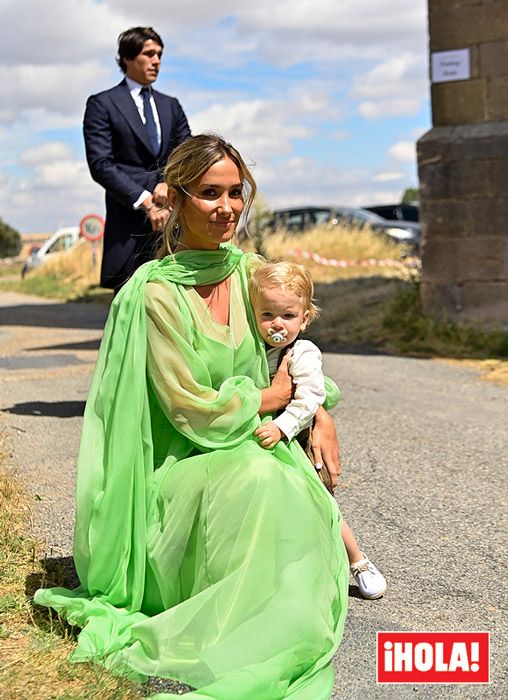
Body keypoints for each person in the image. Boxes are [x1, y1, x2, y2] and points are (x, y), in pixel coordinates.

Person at [34, 134, 348, 699]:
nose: (226, 208)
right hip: (179, 460)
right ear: (175, 200)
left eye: (235, 193)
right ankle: (250, 624)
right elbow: (190, 411)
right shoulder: (152, 295)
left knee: (272, 471)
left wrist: (319, 409)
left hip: (250, 439)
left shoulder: (253, 272)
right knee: (260, 474)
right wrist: (272, 401)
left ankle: (270, 613)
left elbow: (292, 355)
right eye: (209, 193)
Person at [249, 261, 387, 600]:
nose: (276, 324)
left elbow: (310, 397)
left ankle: (358, 560)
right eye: (267, 315)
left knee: (318, 498)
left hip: (293, 434)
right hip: (263, 431)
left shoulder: (302, 352)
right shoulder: (250, 348)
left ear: (305, 318)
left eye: (287, 316)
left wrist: (283, 427)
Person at [83, 26, 191, 292]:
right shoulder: (102, 104)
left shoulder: (171, 105)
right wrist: (145, 201)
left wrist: (170, 181)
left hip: (172, 227)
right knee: (130, 319)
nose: (156, 61)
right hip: (128, 230)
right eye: (149, 54)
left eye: (160, 55)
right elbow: (101, 164)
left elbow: (187, 153)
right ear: (127, 58)